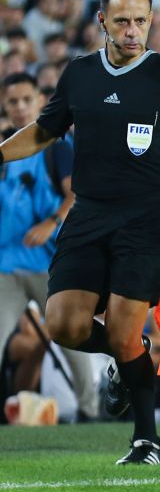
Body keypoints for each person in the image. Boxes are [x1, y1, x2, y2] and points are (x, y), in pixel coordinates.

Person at [0, 0, 160, 465]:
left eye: (141, 21)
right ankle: (129, 355)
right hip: (88, 214)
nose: (133, 31)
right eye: (123, 21)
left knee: (122, 332)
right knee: (64, 326)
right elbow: (45, 131)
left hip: (145, 216)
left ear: (152, 20)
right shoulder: (80, 74)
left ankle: (147, 439)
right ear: (102, 22)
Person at [0, 72, 97, 422]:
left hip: (49, 264)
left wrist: (51, 223)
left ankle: (90, 410)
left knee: (71, 336)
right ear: (5, 105)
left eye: (27, 99)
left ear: (40, 100)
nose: (20, 107)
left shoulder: (57, 146)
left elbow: (76, 193)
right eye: (13, 101)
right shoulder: (4, 149)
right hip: (5, 266)